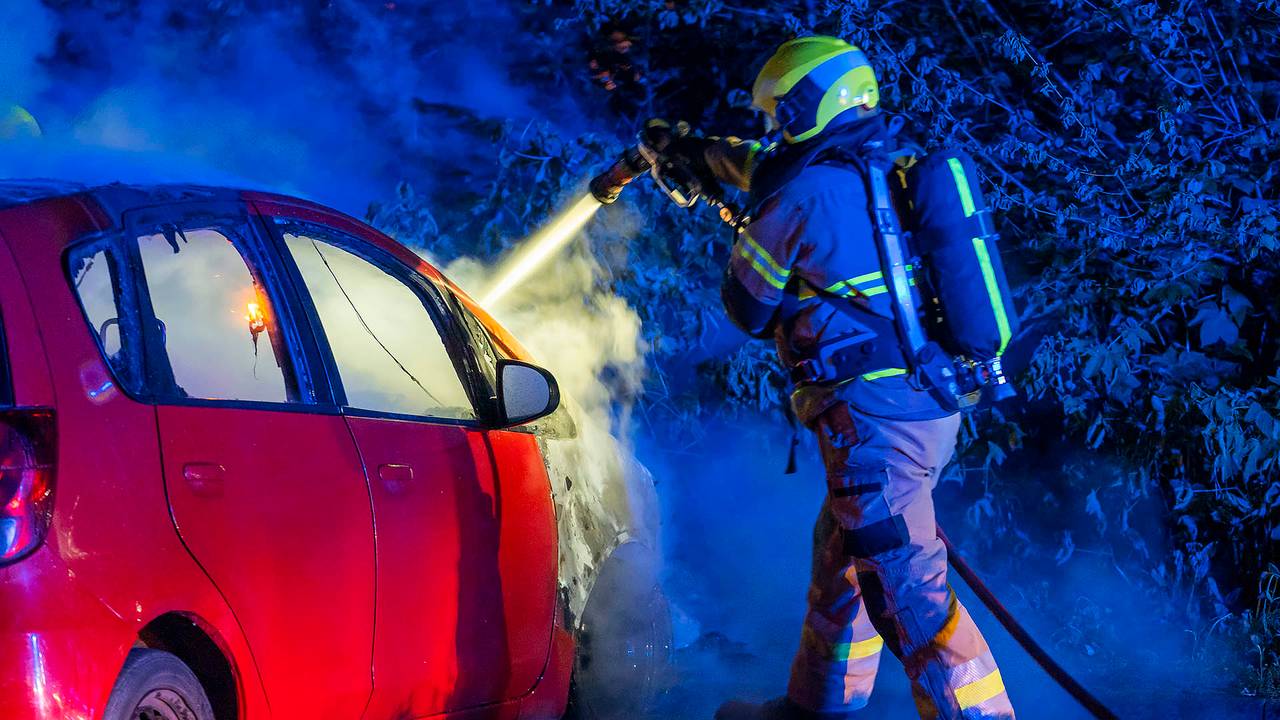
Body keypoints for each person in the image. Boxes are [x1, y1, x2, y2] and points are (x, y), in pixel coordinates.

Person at [702, 36, 1017, 720]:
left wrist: (742, 226)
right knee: (844, 556)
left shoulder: (804, 192)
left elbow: (748, 306)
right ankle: (817, 707)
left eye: (781, 111)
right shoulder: (880, 167)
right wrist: (702, 155)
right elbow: (757, 165)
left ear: (811, 106)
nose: (773, 126)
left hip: (873, 422)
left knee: (909, 590)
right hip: (923, 403)